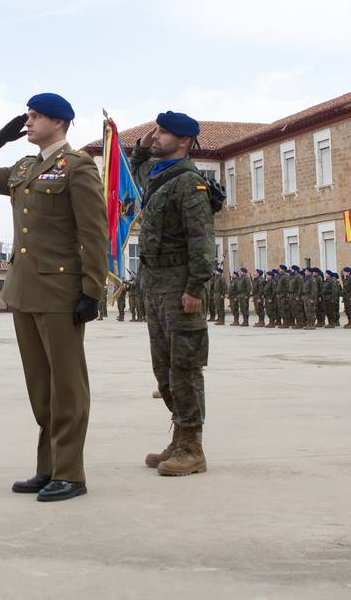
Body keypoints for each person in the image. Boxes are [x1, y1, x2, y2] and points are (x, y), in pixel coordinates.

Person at [0, 93, 105, 502]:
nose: (28, 122)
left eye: (35, 116)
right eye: (27, 116)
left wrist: (92, 291)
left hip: (61, 291)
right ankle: (48, 468)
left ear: (59, 123)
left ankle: (71, 474)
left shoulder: (77, 167)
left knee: (67, 386)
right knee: (41, 386)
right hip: (24, 290)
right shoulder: (25, 167)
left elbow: (93, 233)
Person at [128, 112, 216, 477]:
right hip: (156, 283)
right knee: (162, 368)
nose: (156, 135)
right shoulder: (159, 176)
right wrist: (141, 151)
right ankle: (178, 436)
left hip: (181, 284)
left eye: (163, 132)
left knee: (185, 368)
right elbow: (137, 175)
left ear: (182, 141)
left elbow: (201, 240)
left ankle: (192, 447)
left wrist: (195, 288)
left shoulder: (189, 183)